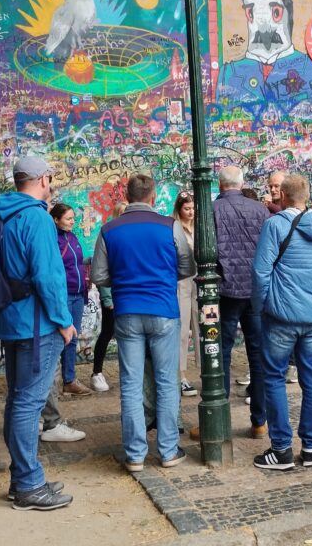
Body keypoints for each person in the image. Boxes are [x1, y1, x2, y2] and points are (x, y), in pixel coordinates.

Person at [92, 173, 195, 471]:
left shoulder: (109, 229)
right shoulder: (170, 226)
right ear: (153, 197)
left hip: (126, 311)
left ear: (128, 195)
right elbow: (186, 266)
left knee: (131, 383)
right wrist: (161, 278)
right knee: (166, 381)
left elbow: (98, 275)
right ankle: (168, 450)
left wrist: (125, 280)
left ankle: (135, 454)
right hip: (163, 309)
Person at [0, 157, 75, 510]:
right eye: (51, 178)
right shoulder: (37, 216)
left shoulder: (2, 214)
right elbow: (47, 275)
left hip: (12, 320)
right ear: (43, 179)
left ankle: (21, 478)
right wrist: (63, 320)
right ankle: (28, 484)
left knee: (18, 401)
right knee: (28, 404)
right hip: (38, 324)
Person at [251, 174, 312, 470]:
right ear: (308, 196)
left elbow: (260, 273)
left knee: (274, 378)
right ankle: (310, 447)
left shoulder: (276, 225)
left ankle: (280, 449)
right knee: (311, 380)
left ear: (282, 197)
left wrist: (263, 305)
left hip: (280, 317)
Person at [212, 166, 270, 438]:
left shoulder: (212, 209)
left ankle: (219, 419)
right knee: (257, 355)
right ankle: (260, 420)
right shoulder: (259, 209)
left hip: (225, 290)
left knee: (220, 353)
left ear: (220, 184)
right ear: (241, 183)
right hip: (255, 290)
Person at [50, 204, 91, 397]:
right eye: (68, 219)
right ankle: (52, 382)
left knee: (73, 339)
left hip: (78, 294)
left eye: (73, 218)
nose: (72, 222)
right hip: (64, 295)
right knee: (60, 339)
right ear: (56, 220)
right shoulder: (53, 240)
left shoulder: (73, 237)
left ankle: (69, 380)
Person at [90, 201, 125, 392]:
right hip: (112, 297)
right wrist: (108, 299)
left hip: (126, 296)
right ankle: (97, 372)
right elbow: (101, 271)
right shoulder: (109, 235)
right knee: (107, 333)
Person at [173, 191, 200, 398]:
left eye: (193, 208)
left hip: (199, 281)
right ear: (179, 209)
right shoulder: (174, 228)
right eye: (187, 208)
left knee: (203, 327)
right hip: (182, 281)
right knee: (182, 331)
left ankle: (204, 371)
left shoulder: (200, 226)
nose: (191, 212)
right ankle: (180, 376)